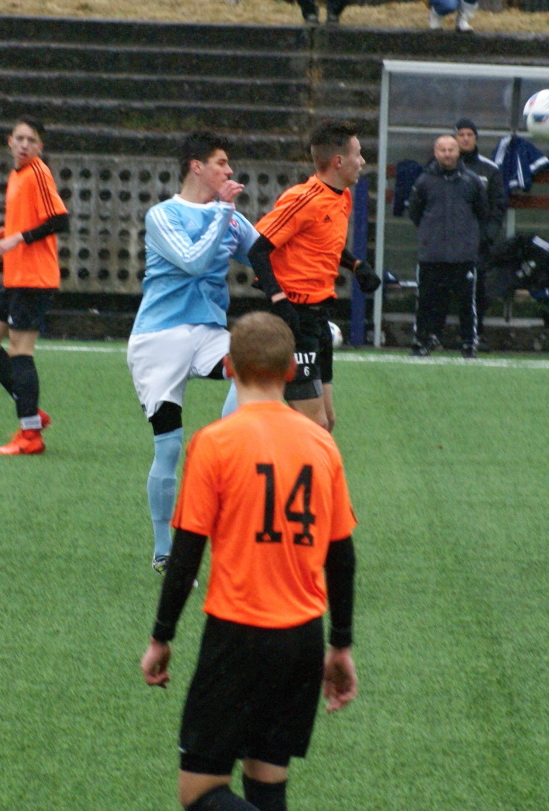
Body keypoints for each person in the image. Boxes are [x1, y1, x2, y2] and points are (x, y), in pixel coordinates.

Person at [140, 311, 358, 811]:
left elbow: (186, 555)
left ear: (229, 368)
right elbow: (342, 557)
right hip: (302, 638)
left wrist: (161, 637)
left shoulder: (214, 443)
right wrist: (340, 644)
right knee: (266, 782)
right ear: (290, 372)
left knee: (200, 792)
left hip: (237, 635)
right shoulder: (321, 445)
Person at [128, 131, 259, 575]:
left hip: (207, 332)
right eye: (221, 162)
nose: (230, 170)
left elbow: (268, 254)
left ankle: (223, 445)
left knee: (252, 363)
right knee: (168, 448)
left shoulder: (231, 218)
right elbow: (193, 261)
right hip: (158, 337)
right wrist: (223, 212)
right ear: (196, 166)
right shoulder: (163, 215)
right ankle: (163, 549)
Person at [248, 118, 380, 433]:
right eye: (358, 154)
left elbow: (322, 241)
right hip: (294, 317)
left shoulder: (342, 196)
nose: (362, 162)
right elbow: (258, 250)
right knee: (313, 424)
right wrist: (279, 301)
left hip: (318, 318)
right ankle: (267, 458)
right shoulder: (303, 199)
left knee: (326, 422)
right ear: (338, 161)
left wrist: (356, 266)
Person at [0, 117, 68, 455]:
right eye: (20, 138)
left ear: (40, 147)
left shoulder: (38, 172)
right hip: (14, 276)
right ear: (9, 141)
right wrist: (0, 233)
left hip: (34, 278)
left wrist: (14, 239)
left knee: (20, 351)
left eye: (31, 140)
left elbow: (60, 220)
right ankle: (31, 412)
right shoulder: (17, 175)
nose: (25, 144)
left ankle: (30, 435)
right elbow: (27, 221)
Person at [406, 134, 488, 358]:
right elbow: (415, 213)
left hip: (463, 255)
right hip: (431, 255)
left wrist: (469, 239)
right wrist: (430, 236)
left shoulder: (472, 181)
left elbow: (482, 213)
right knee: (425, 301)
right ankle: (421, 342)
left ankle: (469, 344)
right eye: (442, 150)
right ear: (435, 153)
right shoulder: (423, 181)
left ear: (458, 151)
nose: (447, 154)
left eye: (451, 150)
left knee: (466, 303)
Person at [453, 117, 507, 349]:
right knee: (441, 287)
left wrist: (488, 235)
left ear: (476, 139)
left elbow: (499, 205)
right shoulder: (442, 166)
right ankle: (433, 334)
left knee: (477, 288)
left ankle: (475, 334)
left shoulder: (489, 169)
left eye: (470, 135)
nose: (465, 139)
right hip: (446, 241)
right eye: (461, 135)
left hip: (477, 243)